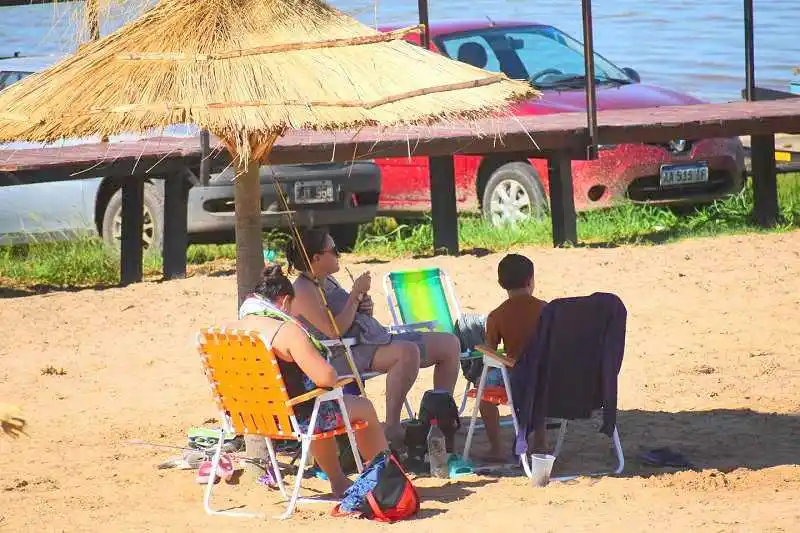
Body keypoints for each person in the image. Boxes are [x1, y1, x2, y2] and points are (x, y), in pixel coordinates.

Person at [284, 229, 461, 445]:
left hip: (370, 339)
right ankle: (393, 427)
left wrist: (362, 307)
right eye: (334, 250)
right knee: (407, 353)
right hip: (343, 354)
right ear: (316, 258)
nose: (339, 255)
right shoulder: (303, 290)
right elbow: (334, 331)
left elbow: (347, 317)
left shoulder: (326, 281)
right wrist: (356, 294)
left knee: (450, 345)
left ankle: (441, 418)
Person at [232, 265, 389, 497]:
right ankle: (385, 479)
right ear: (285, 302)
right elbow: (325, 377)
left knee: (315, 404)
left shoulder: (230, 330)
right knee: (358, 407)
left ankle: (338, 481)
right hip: (291, 419)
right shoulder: (285, 331)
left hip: (249, 416)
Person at [479, 253, 548, 462]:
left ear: (501, 283)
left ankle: (496, 447)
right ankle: (541, 442)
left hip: (515, 374)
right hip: (546, 375)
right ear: (530, 280)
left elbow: (490, 352)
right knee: (538, 391)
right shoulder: (546, 309)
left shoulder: (497, 315)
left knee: (483, 391)